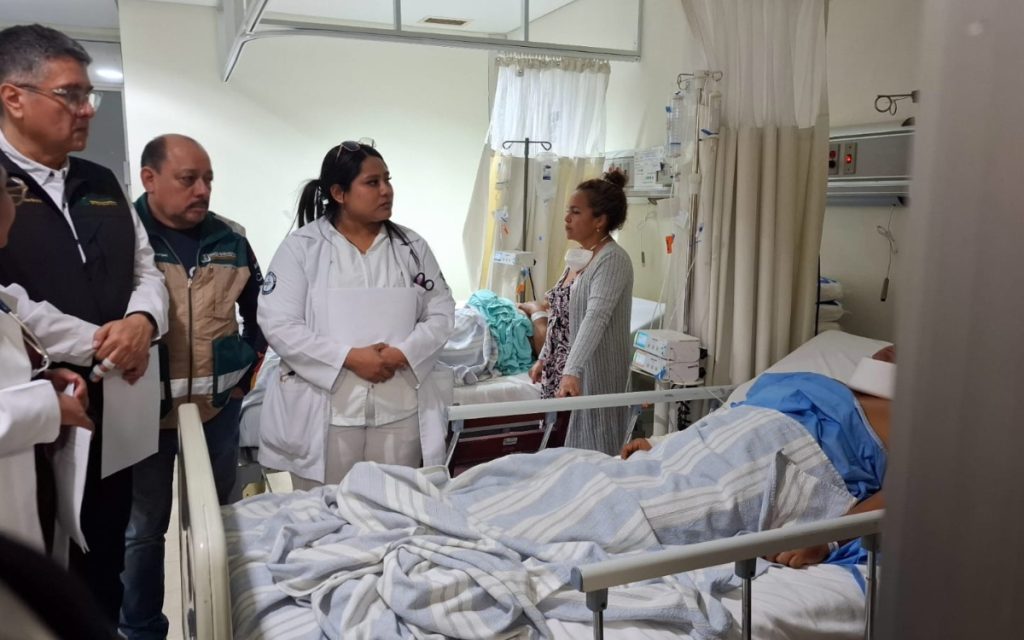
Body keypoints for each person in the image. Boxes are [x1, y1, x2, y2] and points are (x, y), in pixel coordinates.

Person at [0, 25, 168, 622]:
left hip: (115, 401)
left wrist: (142, 320)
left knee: (106, 549)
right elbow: (9, 302)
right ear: (13, 97)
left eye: (87, 94)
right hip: (33, 407)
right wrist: (104, 344)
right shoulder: (1, 184)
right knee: (44, 567)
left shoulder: (100, 181)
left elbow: (146, 267)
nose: (87, 108)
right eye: (69, 94)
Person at [118, 134, 265, 640]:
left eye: (208, 180)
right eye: (188, 179)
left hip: (216, 409)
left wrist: (244, 379)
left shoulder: (231, 238)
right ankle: (140, 628)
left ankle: (225, 617)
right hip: (143, 412)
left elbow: (259, 313)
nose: (202, 190)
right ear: (149, 178)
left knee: (217, 518)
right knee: (142, 531)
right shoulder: (121, 236)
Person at [258, 140, 455, 489]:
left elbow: (441, 311)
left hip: (399, 406)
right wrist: (349, 358)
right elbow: (279, 324)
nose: (386, 190)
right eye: (372, 182)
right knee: (324, 511)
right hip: (328, 413)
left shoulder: (412, 247)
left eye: (387, 180)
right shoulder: (301, 248)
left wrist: (402, 353)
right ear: (339, 193)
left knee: (393, 504)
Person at [622, 348, 895, 568]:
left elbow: (903, 493)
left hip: (793, 456)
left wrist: (825, 540)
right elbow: (731, 416)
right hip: (734, 438)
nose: (894, 348)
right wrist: (664, 443)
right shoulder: (827, 384)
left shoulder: (914, 424)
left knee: (655, 516)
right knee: (627, 487)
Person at [529, 170, 634, 455]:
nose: (567, 218)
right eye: (568, 211)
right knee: (556, 453)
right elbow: (560, 316)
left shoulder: (612, 260)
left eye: (575, 212)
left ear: (599, 220)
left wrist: (572, 371)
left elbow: (595, 318)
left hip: (589, 374)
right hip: (562, 372)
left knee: (590, 452)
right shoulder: (579, 258)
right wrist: (544, 358)